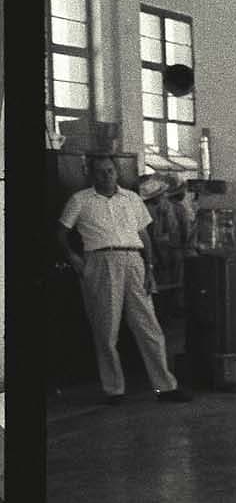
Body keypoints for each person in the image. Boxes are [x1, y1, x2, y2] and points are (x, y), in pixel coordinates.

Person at [57, 155, 191, 405]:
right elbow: (61, 232)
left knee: (149, 326)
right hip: (100, 260)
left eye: (110, 170)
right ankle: (114, 390)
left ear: (116, 172)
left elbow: (144, 235)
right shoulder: (80, 200)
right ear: (92, 174)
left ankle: (165, 387)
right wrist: (73, 258)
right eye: (100, 172)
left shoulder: (131, 198)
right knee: (106, 330)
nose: (106, 176)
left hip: (133, 260)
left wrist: (149, 269)